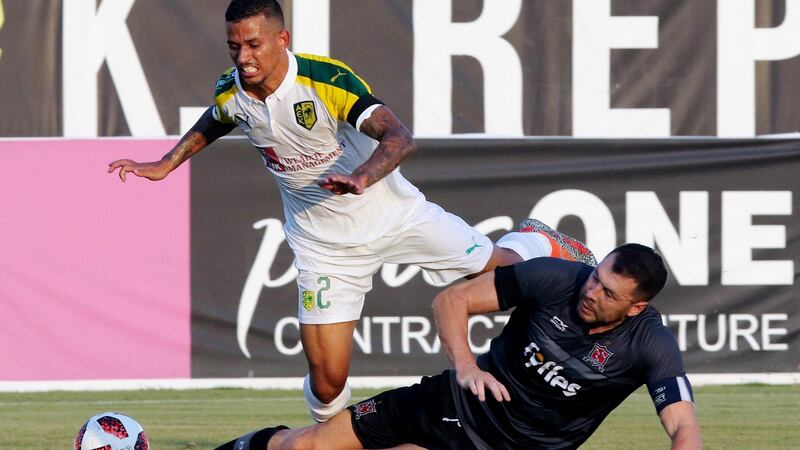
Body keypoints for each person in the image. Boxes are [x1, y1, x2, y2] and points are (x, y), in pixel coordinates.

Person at [107, 0, 595, 422]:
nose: (243, 57)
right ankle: (335, 438)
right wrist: (165, 164)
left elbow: (400, 137)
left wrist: (362, 177)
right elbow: (215, 119)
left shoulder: (325, 79)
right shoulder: (231, 88)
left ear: (282, 39)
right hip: (323, 246)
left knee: (505, 272)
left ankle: (535, 238)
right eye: (234, 46)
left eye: (253, 45)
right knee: (326, 380)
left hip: (396, 215)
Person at [213, 243, 702, 450]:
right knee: (309, 445)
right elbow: (454, 299)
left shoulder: (650, 344)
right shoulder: (557, 278)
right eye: (595, 278)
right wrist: (467, 366)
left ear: (635, 308)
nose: (591, 293)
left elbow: (683, 426)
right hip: (452, 402)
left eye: (609, 293)